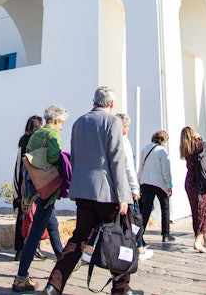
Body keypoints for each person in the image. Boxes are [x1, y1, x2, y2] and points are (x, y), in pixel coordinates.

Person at [41, 87, 137, 295]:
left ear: (93, 100)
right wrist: (123, 196)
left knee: (78, 240)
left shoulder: (78, 123)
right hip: (107, 193)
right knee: (121, 236)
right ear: (111, 104)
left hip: (84, 191)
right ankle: (121, 288)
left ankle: (54, 284)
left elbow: (74, 157)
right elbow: (116, 161)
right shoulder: (113, 122)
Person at [13, 105, 68, 292]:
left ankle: (64, 261)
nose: (62, 127)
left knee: (52, 224)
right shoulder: (53, 135)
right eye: (62, 123)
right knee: (36, 230)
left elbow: (27, 164)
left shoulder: (35, 135)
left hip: (34, 187)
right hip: (47, 189)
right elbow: (54, 158)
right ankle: (21, 277)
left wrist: (27, 195)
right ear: (57, 120)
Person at [116, 113, 152, 261]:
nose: (128, 129)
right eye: (127, 126)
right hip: (126, 187)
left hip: (114, 186)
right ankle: (139, 248)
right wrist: (134, 187)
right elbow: (128, 166)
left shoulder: (110, 139)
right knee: (134, 219)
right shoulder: (124, 141)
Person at [180, 126, 206, 253]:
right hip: (203, 182)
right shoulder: (202, 145)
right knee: (203, 211)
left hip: (190, 182)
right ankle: (198, 240)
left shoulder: (186, 149)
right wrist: (200, 139)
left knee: (198, 210)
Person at [13, 115, 44, 261]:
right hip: (34, 185)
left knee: (22, 216)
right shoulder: (36, 142)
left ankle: (19, 250)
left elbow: (18, 166)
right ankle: (34, 247)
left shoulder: (23, 142)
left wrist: (16, 189)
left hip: (22, 186)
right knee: (36, 216)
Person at [138, 130, 173, 243]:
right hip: (159, 183)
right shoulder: (162, 151)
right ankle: (165, 234)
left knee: (146, 209)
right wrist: (169, 184)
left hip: (145, 182)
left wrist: (139, 181)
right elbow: (165, 170)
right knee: (165, 207)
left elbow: (141, 167)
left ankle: (140, 235)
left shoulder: (145, 149)